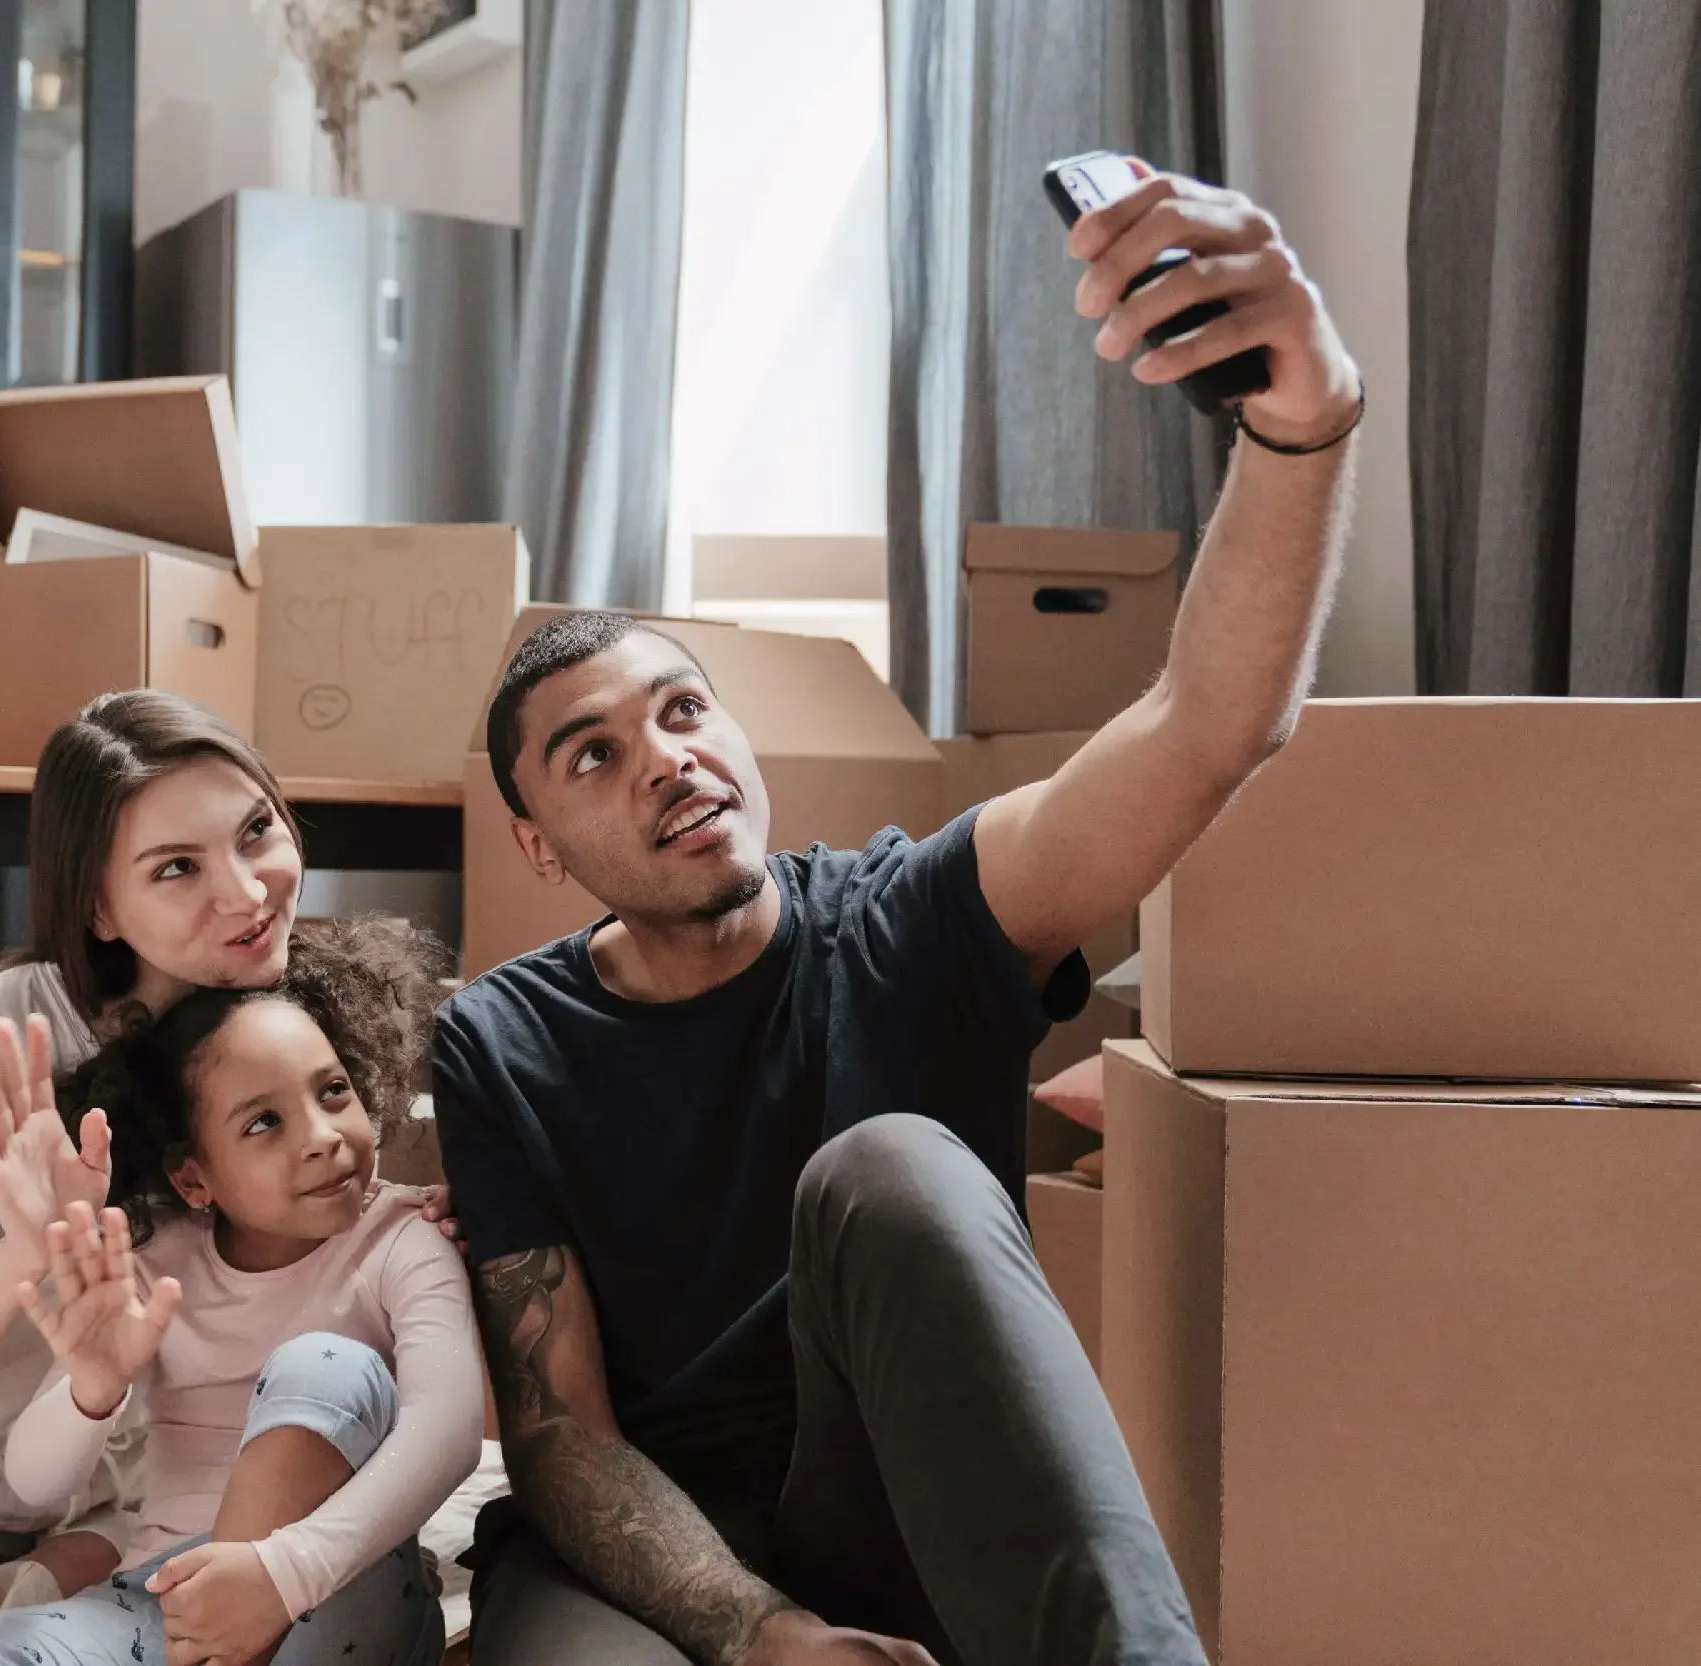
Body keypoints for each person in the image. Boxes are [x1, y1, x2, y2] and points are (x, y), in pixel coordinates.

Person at [430, 165, 1363, 1666]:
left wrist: (1304, 414)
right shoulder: (500, 1039)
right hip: (649, 1547)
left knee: (892, 1163)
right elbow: (564, 1436)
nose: (664, 756)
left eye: (683, 711)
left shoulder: (914, 914)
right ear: (539, 845)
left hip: (898, 1499)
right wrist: (761, 1631)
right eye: (594, 752)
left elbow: (1209, 724)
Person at [0, 694, 457, 1666]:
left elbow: (348, 1272)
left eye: (256, 830)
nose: (247, 891)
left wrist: (439, 1226)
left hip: (147, 1489)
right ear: (99, 905)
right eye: (177, 867)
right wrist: (22, 1255)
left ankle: (60, 1599)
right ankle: (42, 1601)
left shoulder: (313, 1007)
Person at [0, 918, 484, 1666]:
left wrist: (282, 1573)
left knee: (325, 1365)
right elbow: (34, 1483)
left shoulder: (404, 1238)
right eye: (264, 1122)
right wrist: (93, 1389)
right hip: (162, 1608)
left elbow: (452, 1427)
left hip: (338, 1594)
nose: (322, 1135)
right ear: (192, 1179)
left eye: (333, 1091)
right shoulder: (157, 1262)